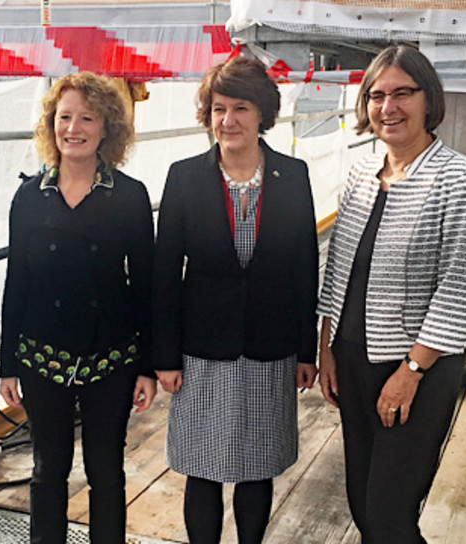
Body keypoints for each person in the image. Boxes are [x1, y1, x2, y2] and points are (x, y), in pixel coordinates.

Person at [316, 44, 466, 543]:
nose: (387, 107)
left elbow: (459, 289)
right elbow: (339, 271)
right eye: (377, 95)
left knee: (389, 513)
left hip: (416, 369)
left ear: (428, 99)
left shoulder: (461, 180)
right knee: (360, 504)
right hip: (353, 359)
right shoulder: (360, 175)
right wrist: (326, 348)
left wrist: (411, 371)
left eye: (402, 93)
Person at [152, 56, 319, 544]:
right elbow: (164, 276)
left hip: (270, 346)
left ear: (262, 113)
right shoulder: (185, 178)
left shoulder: (293, 176)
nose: (228, 121)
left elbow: (304, 267)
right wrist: (164, 356)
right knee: (200, 465)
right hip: (201, 348)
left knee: (257, 462)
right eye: (218, 108)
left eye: (241, 108)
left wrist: (305, 350)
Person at [0, 72, 157, 544]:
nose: (74, 128)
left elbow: (146, 286)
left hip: (111, 354)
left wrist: (147, 366)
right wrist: (7, 364)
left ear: (107, 128)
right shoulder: (29, 196)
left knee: (106, 469)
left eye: (87, 118)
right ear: (51, 125)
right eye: (64, 117)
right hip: (42, 354)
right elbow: (17, 284)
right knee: (48, 469)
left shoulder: (129, 196)